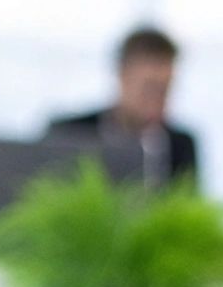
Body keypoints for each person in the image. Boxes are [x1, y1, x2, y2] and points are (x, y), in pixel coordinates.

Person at [48, 26, 199, 188]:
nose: (157, 100)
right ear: (122, 76)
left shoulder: (180, 146)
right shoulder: (69, 133)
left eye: (164, 90)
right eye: (149, 88)